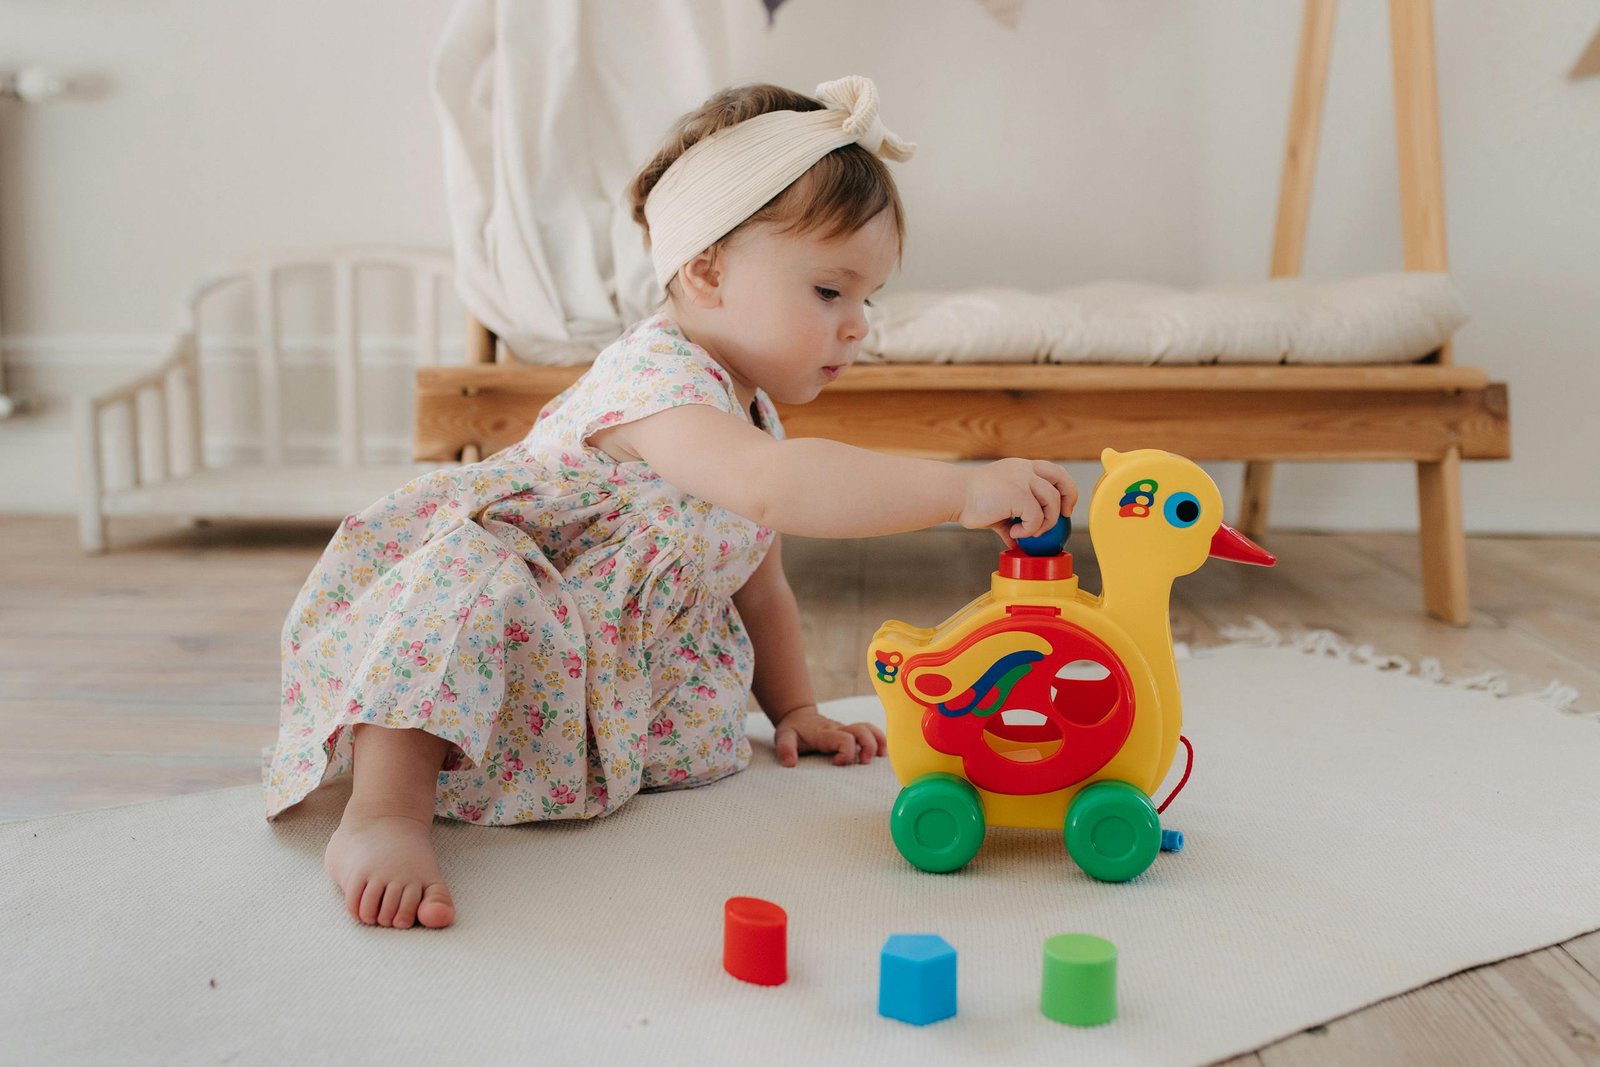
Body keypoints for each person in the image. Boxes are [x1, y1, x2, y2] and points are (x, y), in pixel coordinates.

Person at [264, 75, 1076, 930]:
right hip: (518, 616)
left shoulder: (750, 408)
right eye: (830, 292)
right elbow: (775, 488)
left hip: (601, 667)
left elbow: (762, 586)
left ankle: (549, 763)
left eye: (868, 299)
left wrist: (795, 709)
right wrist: (960, 487)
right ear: (706, 270)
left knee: (708, 742)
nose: (858, 325)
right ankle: (384, 814)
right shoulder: (659, 379)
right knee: (465, 584)